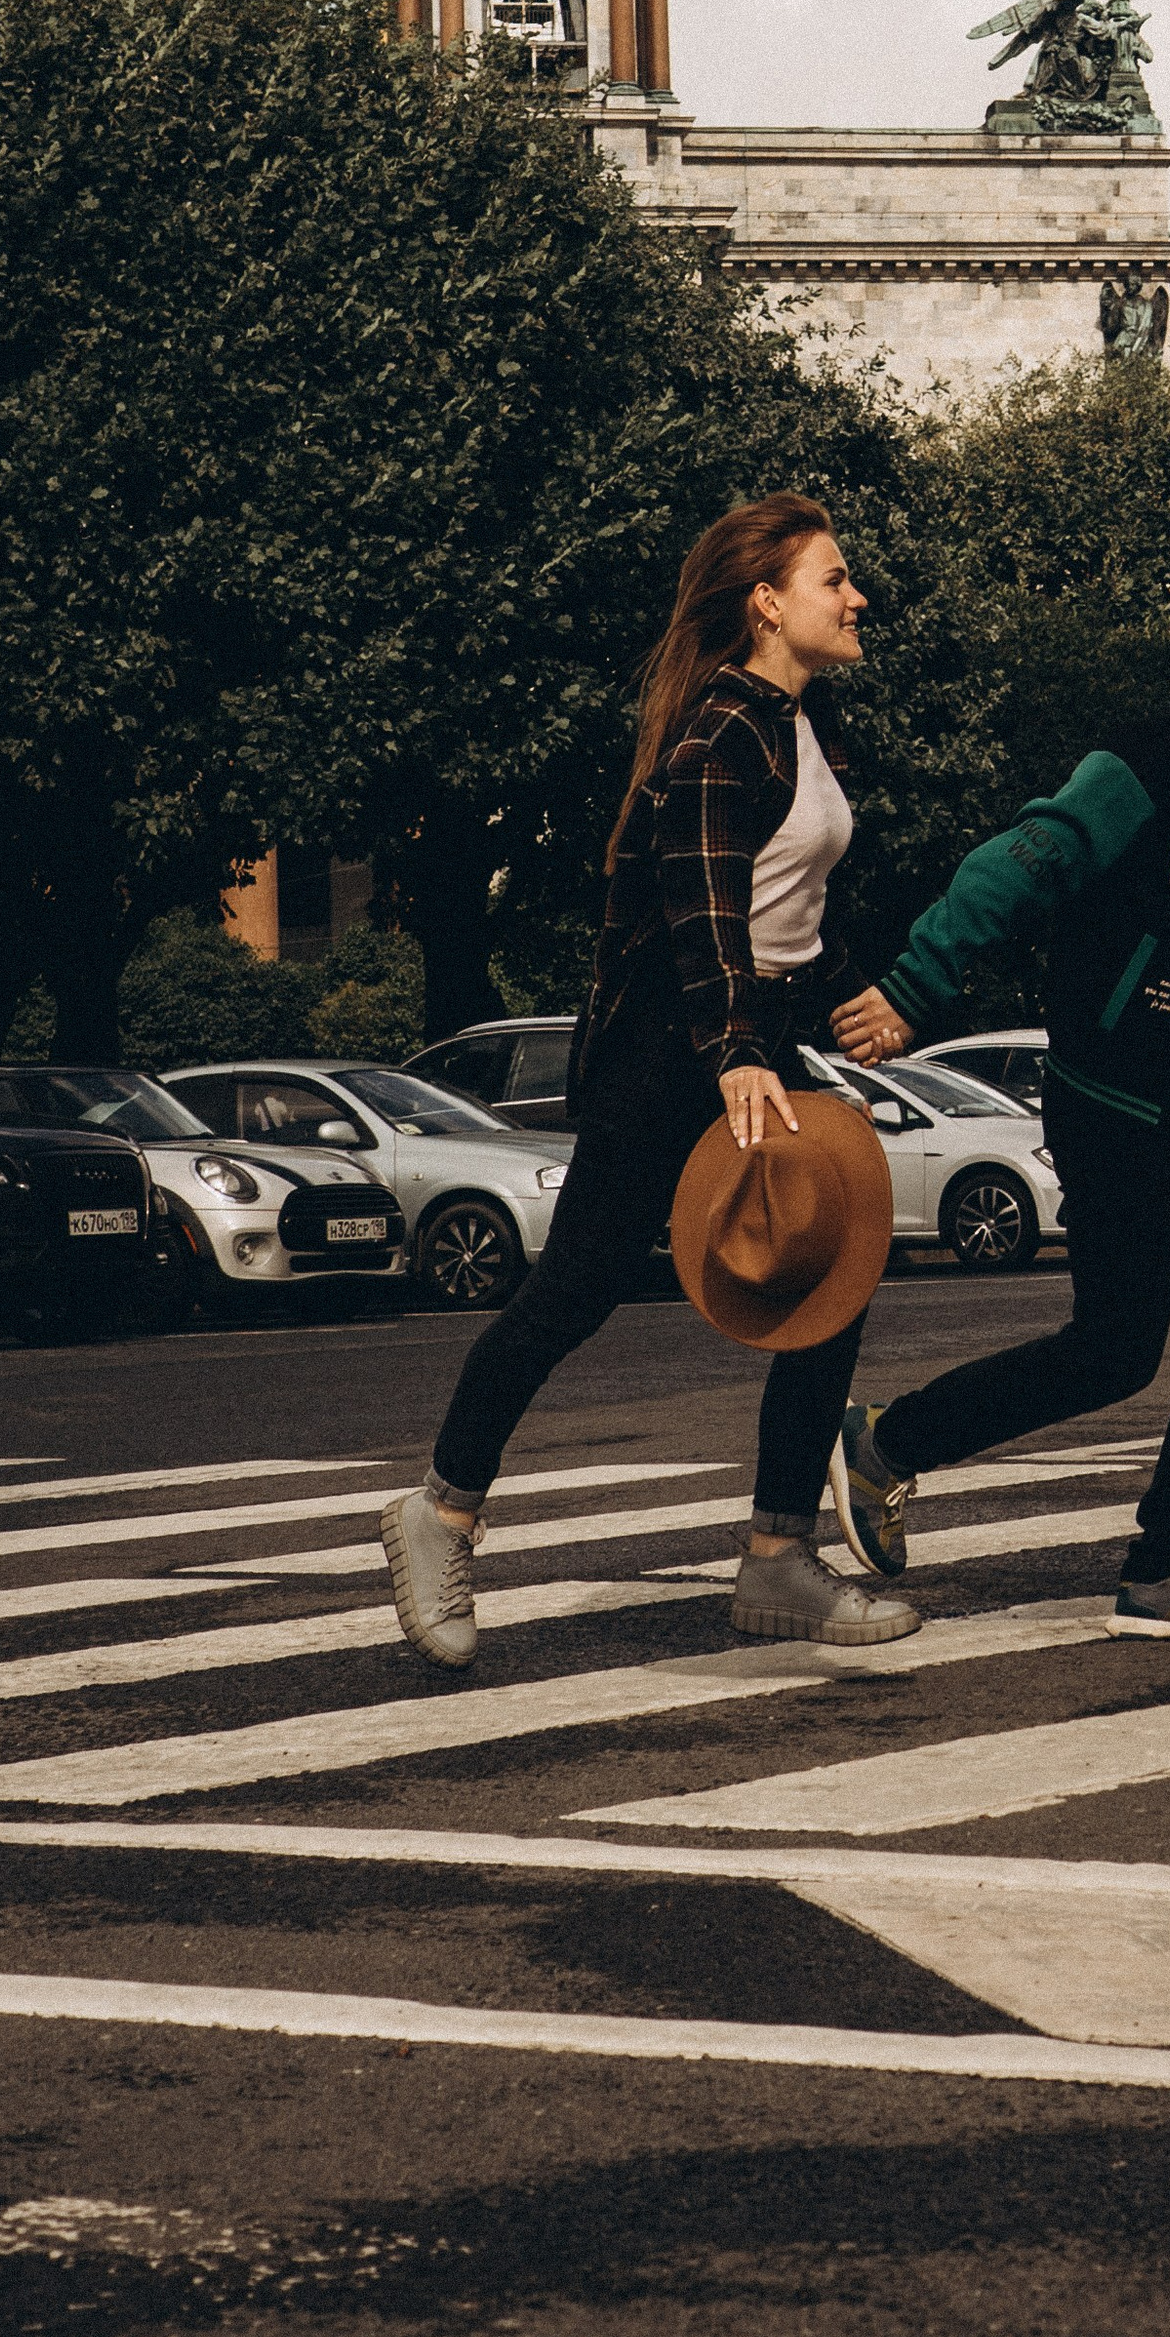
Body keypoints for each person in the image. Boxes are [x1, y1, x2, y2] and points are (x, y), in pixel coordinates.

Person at [382, 494, 920, 1668]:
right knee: (571, 1294)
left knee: (826, 1274)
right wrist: (735, 1054)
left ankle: (778, 1559)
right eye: (836, 579)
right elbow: (705, 909)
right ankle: (440, 1512)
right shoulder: (723, 729)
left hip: (743, 1032)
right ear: (769, 603)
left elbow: (785, 911)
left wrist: (859, 995)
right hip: (667, 1049)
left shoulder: (796, 723)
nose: (857, 595)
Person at [823, 525, 1170, 1645]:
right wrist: (920, 983)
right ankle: (884, 1443)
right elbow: (1024, 857)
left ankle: (1164, 1571)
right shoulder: (1157, 757)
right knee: (1115, 1349)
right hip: (1115, 1094)